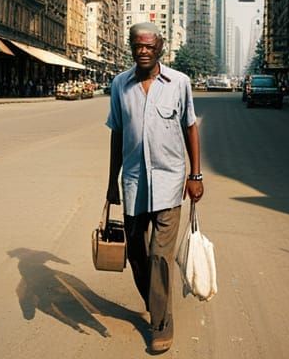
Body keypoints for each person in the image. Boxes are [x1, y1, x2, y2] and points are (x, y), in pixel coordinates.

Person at [107, 22, 203, 355]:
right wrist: (110, 184)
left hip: (169, 181)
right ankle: (155, 300)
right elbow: (117, 134)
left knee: (160, 255)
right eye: (138, 46)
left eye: (149, 46)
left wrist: (196, 175)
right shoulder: (120, 85)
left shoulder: (179, 83)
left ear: (160, 48)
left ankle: (161, 324)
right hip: (133, 183)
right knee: (136, 250)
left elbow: (190, 127)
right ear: (130, 47)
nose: (143, 51)